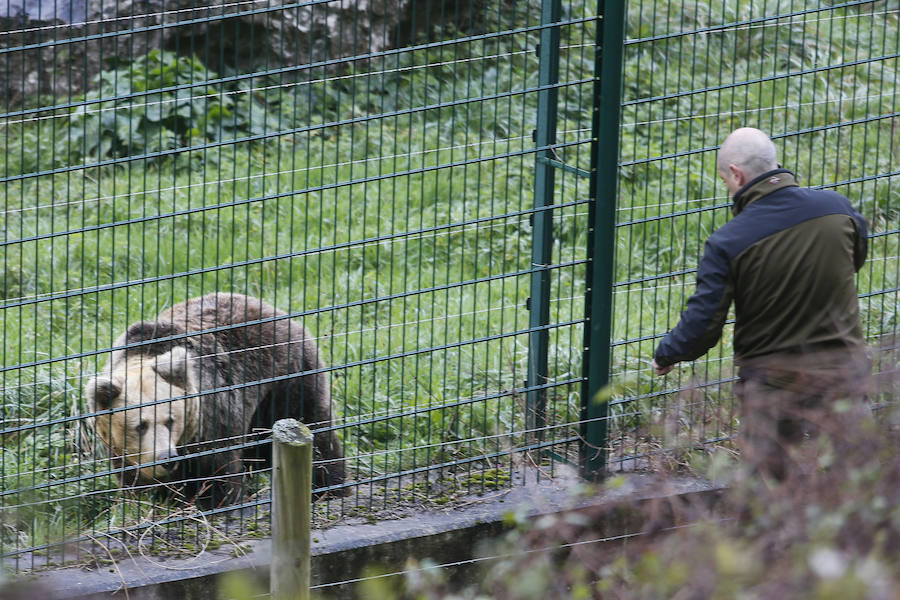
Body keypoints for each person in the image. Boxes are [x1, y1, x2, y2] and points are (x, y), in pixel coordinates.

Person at [650, 127, 870, 480]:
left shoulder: (729, 242)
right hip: (844, 372)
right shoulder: (837, 209)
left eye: (725, 180)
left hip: (773, 386)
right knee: (860, 482)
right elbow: (853, 261)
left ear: (736, 174)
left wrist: (668, 353)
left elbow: (704, 326)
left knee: (768, 496)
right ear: (774, 163)